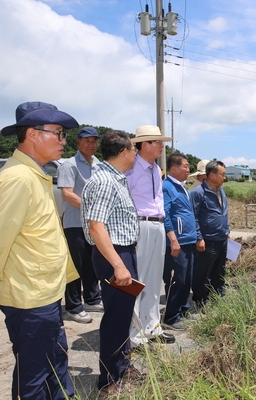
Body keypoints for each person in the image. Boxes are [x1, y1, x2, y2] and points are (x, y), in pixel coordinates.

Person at [0, 101, 80, 400]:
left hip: (42, 290)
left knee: (55, 361)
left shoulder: (35, 174)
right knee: (34, 375)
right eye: (58, 133)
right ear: (33, 135)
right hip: (29, 295)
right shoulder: (18, 178)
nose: (64, 141)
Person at [81, 130, 143, 395]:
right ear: (125, 152)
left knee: (123, 314)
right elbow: (96, 227)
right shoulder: (106, 180)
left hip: (121, 252)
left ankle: (122, 366)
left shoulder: (115, 178)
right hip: (113, 255)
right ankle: (109, 380)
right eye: (134, 149)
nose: (136, 154)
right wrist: (119, 265)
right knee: (116, 319)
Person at [126, 125, 175, 345]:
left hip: (157, 224)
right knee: (140, 278)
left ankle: (152, 327)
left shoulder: (156, 169)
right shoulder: (131, 167)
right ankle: (135, 333)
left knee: (155, 281)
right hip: (140, 224)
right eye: (158, 142)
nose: (162, 147)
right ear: (145, 144)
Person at [58, 126, 103, 324]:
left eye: (94, 141)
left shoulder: (99, 165)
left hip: (95, 223)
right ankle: (73, 306)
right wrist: (91, 209)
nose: (90, 144)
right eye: (86, 140)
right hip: (75, 223)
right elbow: (67, 194)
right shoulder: (69, 165)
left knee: (92, 263)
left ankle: (92, 299)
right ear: (78, 143)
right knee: (76, 265)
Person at [162, 152, 198, 330]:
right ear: (175, 168)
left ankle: (183, 308)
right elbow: (165, 215)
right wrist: (173, 240)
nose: (188, 169)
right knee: (177, 280)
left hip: (189, 240)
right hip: (178, 242)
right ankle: (171, 317)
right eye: (185, 166)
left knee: (187, 279)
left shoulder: (183, 187)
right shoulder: (167, 187)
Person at [191, 160, 230, 307]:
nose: (224, 177)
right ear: (212, 175)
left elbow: (224, 213)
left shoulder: (222, 191)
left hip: (222, 238)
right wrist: (199, 238)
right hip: (207, 239)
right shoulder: (198, 193)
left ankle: (217, 296)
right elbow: (193, 217)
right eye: (222, 174)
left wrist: (227, 230)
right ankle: (200, 299)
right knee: (203, 271)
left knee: (219, 270)